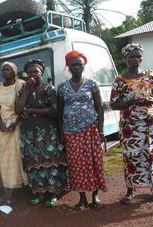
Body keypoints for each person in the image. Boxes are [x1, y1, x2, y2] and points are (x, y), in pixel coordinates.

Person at [110, 43, 153, 204]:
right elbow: (113, 104)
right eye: (132, 57)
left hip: (152, 122)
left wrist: (152, 100)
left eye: (138, 56)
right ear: (125, 58)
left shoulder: (150, 75)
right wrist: (131, 101)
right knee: (131, 156)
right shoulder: (119, 81)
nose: (136, 59)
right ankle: (130, 190)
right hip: (130, 126)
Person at [57, 50, 107, 211]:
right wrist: (62, 133)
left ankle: (95, 196)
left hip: (90, 129)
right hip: (71, 132)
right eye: (74, 65)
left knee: (93, 162)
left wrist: (101, 131)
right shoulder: (62, 87)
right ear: (68, 67)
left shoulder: (92, 84)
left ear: (84, 67)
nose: (77, 67)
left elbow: (99, 108)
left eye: (80, 64)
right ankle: (82, 198)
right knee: (76, 165)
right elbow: (60, 111)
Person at [16, 59, 69, 208]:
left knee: (50, 163)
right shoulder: (24, 90)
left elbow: (54, 111)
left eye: (36, 72)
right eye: (30, 73)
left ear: (42, 74)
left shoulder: (49, 89)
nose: (32, 75)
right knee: (34, 164)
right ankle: (38, 193)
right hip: (29, 135)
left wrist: (32, 110)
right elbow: (18, 110)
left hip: (48, 134)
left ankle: (51, 194)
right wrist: (26, 89)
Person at [0, 61, 28, 206]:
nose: (5, 72)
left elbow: (22, 106)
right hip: (3, 128)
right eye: (3, 70)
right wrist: (2, 125)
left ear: (14, 71)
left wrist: (15, 122)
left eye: (8, 69)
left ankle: (12, 194)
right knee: (4, 160)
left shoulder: (20, 85)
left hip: (16, 126)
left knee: (14, 159)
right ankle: (6, 191)